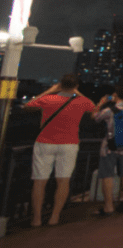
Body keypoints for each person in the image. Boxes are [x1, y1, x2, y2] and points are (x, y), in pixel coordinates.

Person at [23, 74, 97, 227]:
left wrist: (50, 90)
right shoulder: (81, 102)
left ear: (61, 85)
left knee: (39, 182)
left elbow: (28, 105)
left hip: (45, 143)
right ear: (75, 86)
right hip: (69, 144)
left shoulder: (49, 99)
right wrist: (77, 92)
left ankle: (36, 219)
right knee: (63, 180)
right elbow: (94, 107)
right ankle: (54, 217)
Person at [93, 85, 123, 215]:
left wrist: (101, 103)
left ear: (115, 95)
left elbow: (96, 117)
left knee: (107, 175)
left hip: (110, 146)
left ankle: (108, 206)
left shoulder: (109, 110)